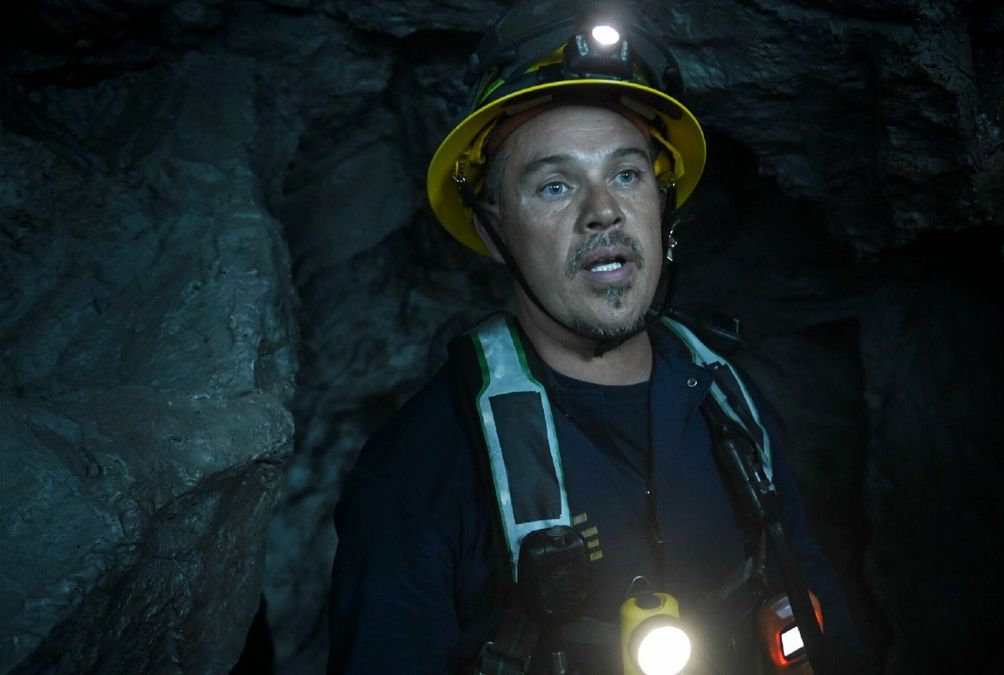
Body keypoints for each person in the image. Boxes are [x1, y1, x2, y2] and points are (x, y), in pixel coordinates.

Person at [328, 1, 871, 673]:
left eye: (626, 174)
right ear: (494, 226)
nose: (603, 211)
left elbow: (821, 617)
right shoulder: (422, 469)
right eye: (555, 185)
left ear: (661, 203)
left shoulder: (730, 403)